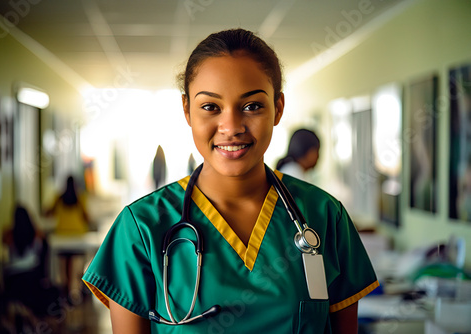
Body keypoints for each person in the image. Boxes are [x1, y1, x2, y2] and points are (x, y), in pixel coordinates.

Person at [82, 28, 378, 333]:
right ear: (187, 110)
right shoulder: (141, 228)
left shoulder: (325, 216)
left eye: (252, 106)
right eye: (210, 107)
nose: (232, 127)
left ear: (278, 108)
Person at [46, 175, 90, 298]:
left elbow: (49, 213)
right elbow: (87, 217)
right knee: (76, 264)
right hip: (77, 236)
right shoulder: (81, 198)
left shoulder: (58, 198)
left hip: (62, 236)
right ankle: (75, 288)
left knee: (63, 264)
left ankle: (65, 288)